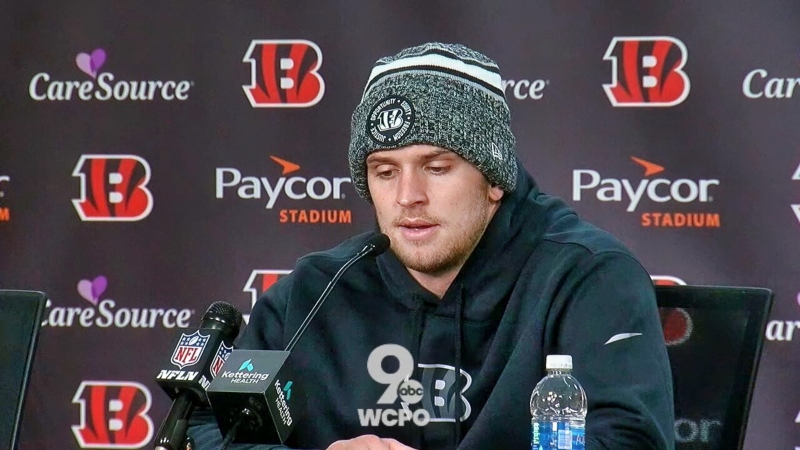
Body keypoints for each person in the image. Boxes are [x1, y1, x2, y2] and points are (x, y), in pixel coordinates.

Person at [187, 42, 675, 450]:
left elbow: (630, 441)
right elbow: (209, 426)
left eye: (437, 168)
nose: (408, 196)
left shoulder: (587, 277)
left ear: (495, 179)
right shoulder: (315, 290)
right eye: (384, 172)